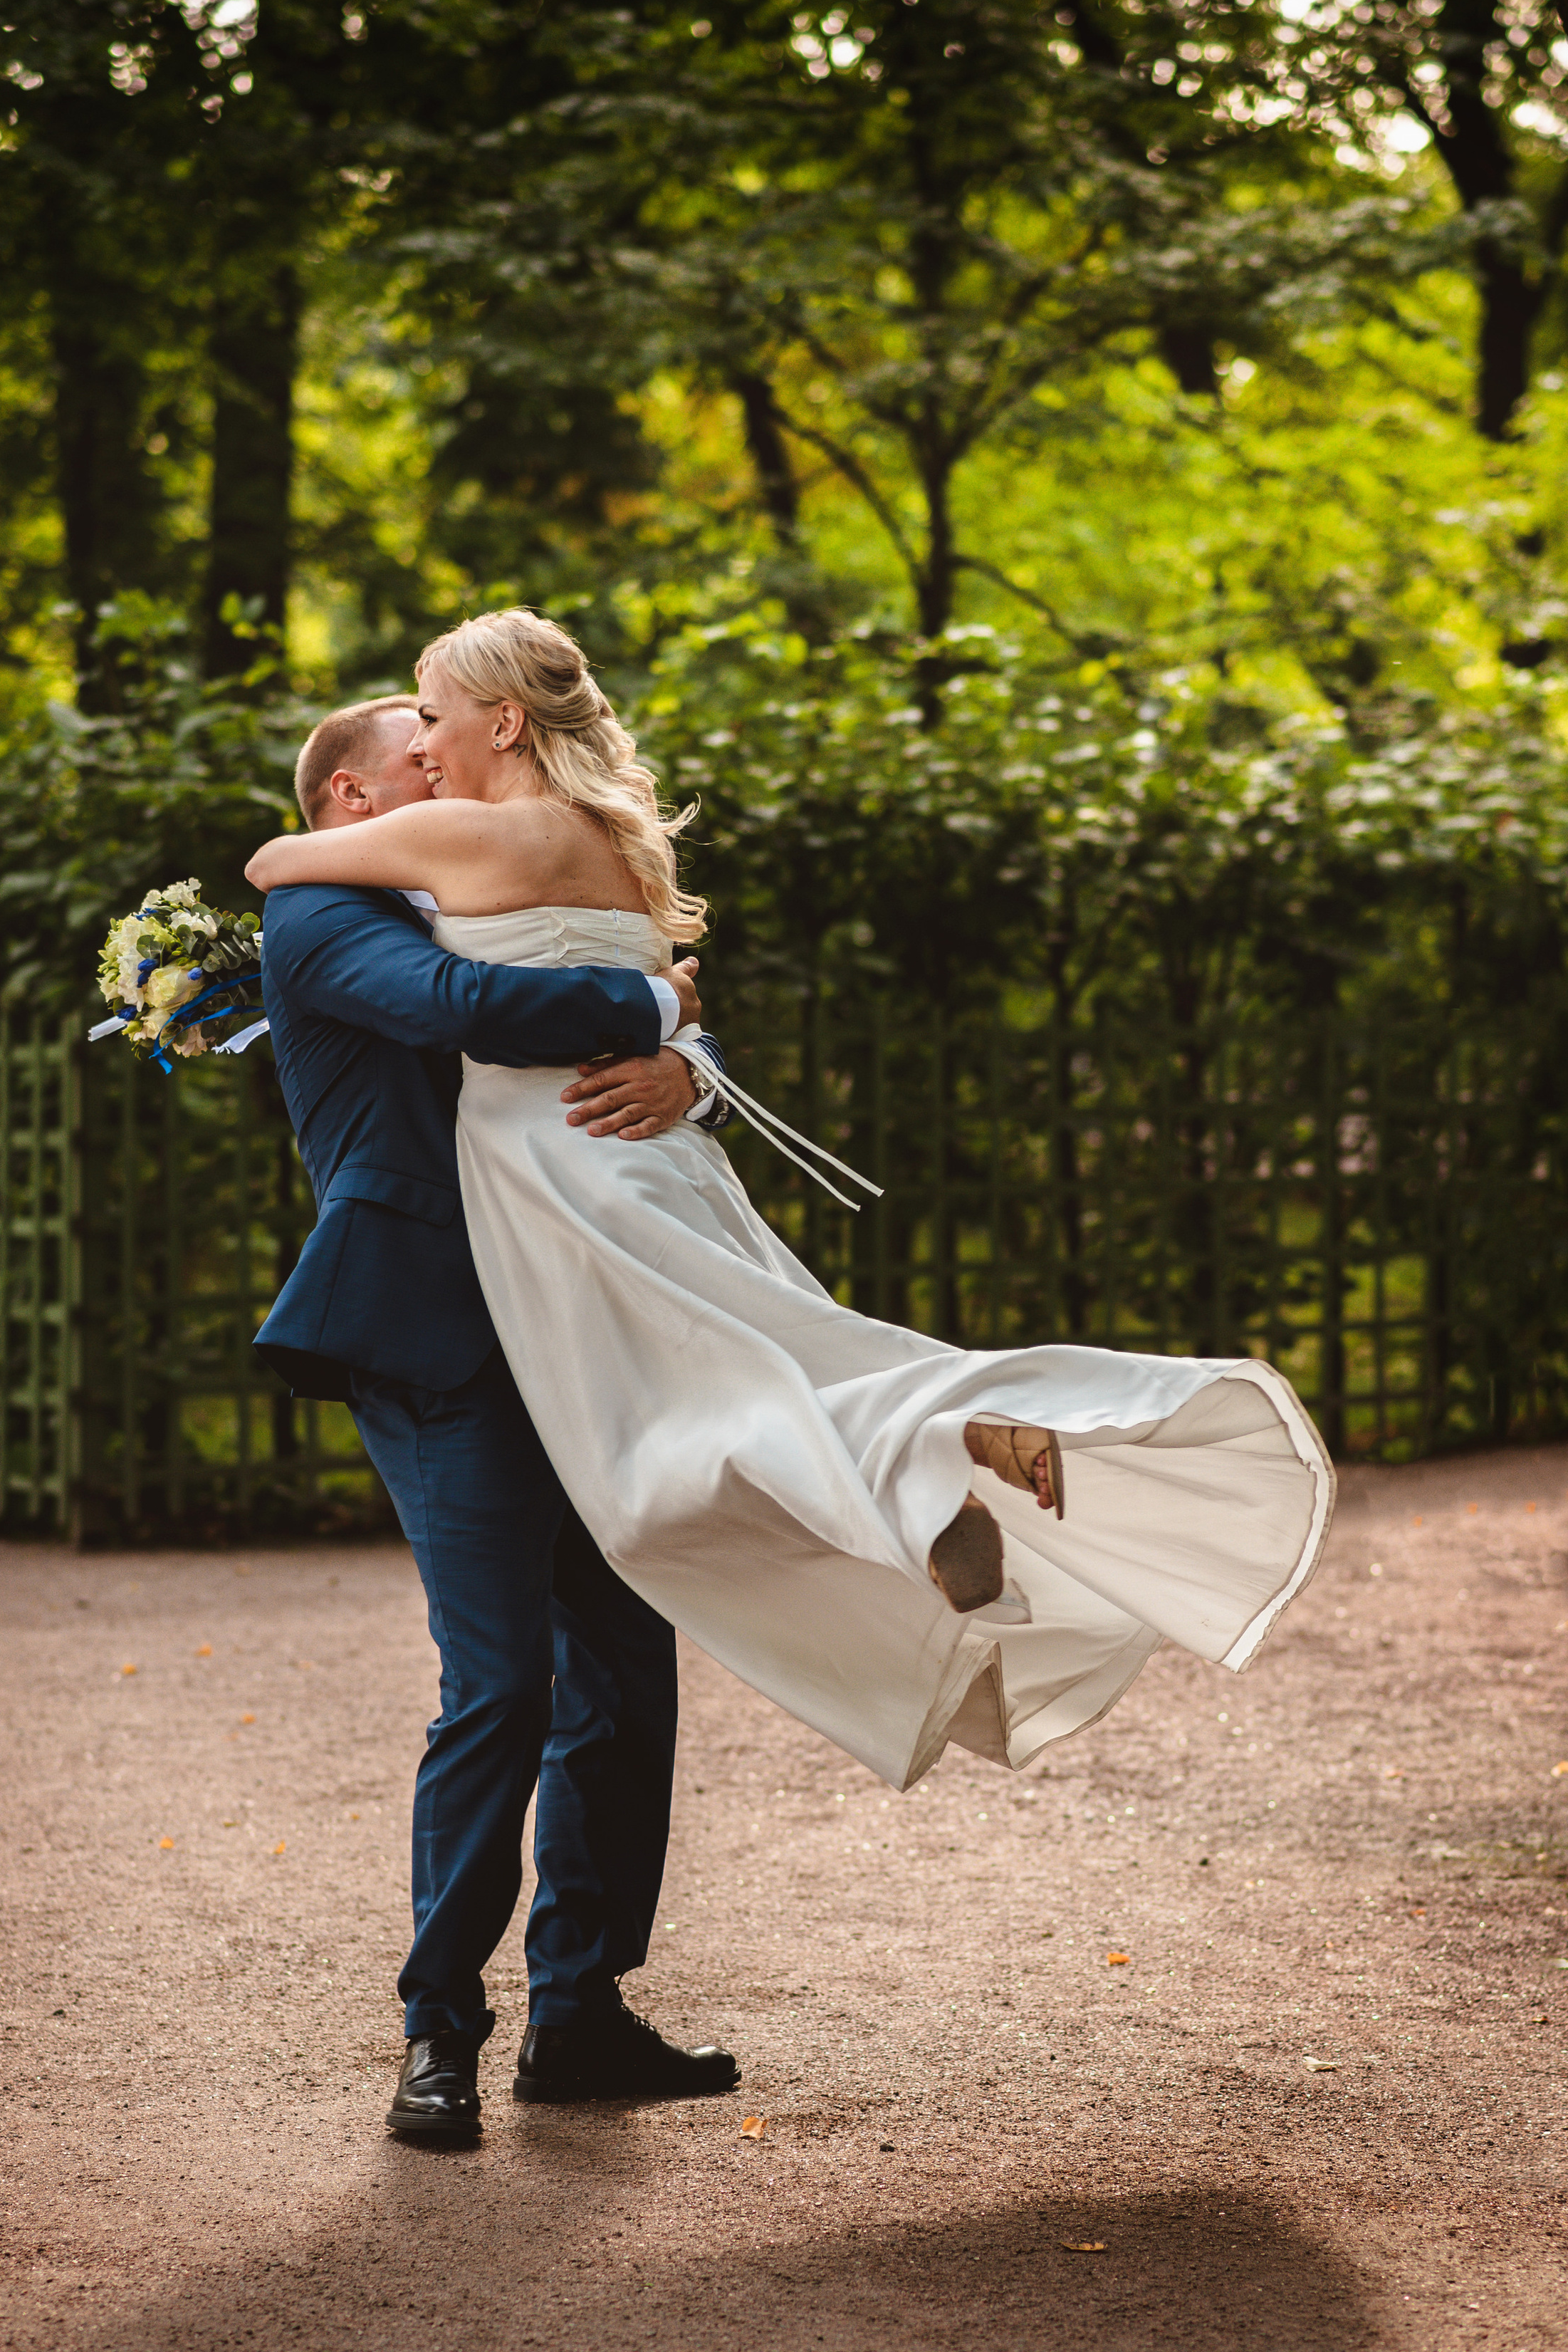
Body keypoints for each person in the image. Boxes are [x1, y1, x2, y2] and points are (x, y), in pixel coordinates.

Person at [249, 610, 1334, 1808]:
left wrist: (662, 1027)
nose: (430, 741)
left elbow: (287, 878)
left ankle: (931, 1462)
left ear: (503, 721)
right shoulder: (615, 839)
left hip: (571, 1176)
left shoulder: (456, 834)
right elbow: (606, 981)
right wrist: (672, 1031)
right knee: (763, 1373)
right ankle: (935, 1457)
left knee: (679, 1444)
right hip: (656, 1162)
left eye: (437, 712)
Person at [255, 690, 741, 2146]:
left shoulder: (503, 888)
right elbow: (464, 1016)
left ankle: (579, 2014)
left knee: (625, 1664)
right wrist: (658, 997)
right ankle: (437, 2030)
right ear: (350, 799)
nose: (446, 757)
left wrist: (685, 1077)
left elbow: (600, 1074)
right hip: (437, 1337)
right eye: (415, 749)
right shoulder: (327, 924)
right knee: (502, 1684)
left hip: (578, 1330)